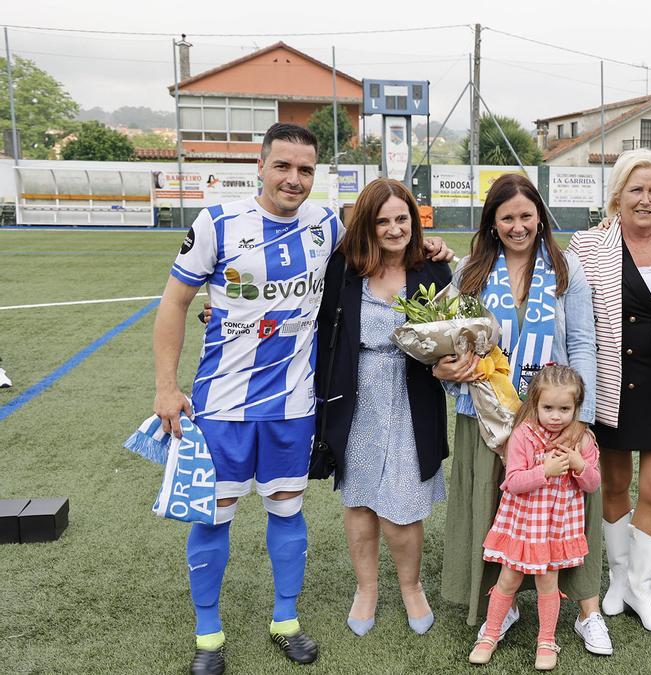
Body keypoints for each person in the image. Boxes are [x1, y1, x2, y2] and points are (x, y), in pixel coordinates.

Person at [153, 123, 337, 673]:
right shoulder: (217, 222)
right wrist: (166, 386)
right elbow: (175, 304)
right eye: (283, 166)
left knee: (288, 510)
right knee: (213, 518)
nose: (294, 179)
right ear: (261, 166)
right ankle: (208, 633)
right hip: (222, 406)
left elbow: (380, 256)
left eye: (305, 169)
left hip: (292, 406)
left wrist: (429, 245)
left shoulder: (327, 224)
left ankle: (286, 620)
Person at [437, 173, 610, 655]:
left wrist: (582, 419)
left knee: (570, 512)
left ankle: (586, 610)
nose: (518, 226)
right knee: (493, 506)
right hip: (488, 413)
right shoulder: (470, 270)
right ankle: (501, 602)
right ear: (492, 221)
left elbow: (581, 343)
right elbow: (452, 342)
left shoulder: (564, 268)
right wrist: (448, 368)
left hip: (554, 417)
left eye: (526, 216)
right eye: (507, 217)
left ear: (540, 217)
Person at [569, 148, 651, 635]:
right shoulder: (587, 245)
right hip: (612, 386)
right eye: (636, 189)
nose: (645, 199)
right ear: (618, 194)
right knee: (615, 486)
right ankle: (618, 581)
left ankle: (643, 589)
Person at [314, 178, 450, 637]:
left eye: (402, 218)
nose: (395, 229)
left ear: (414, 218)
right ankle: (366, 588)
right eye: (383, 221)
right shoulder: (344, 269)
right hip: (357, 397)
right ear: (368, 227)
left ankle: (411, 586)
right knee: (360, 498)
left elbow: (454, 331)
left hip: (414, 395)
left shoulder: (434, 270)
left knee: (405, 503)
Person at [468, 365, 601, 671]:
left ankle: (546, 639)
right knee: (509, 578)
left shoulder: (583, 438)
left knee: (547, 582)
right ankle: (489, 635)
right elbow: (513, 481)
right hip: (523, 524)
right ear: (535, 404)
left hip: (555, 526)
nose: (556, 416)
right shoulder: (523, 435)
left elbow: (593, 484)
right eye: (548, 408)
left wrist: (580, 464)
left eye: (565, 409)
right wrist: (545, 471)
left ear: (576, 407)